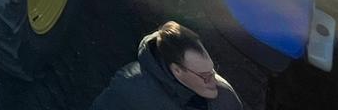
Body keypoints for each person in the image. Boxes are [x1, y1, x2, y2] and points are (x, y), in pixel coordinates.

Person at [91, 21, 244, 110]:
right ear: (177, 70)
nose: (213, 80)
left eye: (212, 70)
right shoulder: (128, 89)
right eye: (204, 76)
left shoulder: (224, 96)